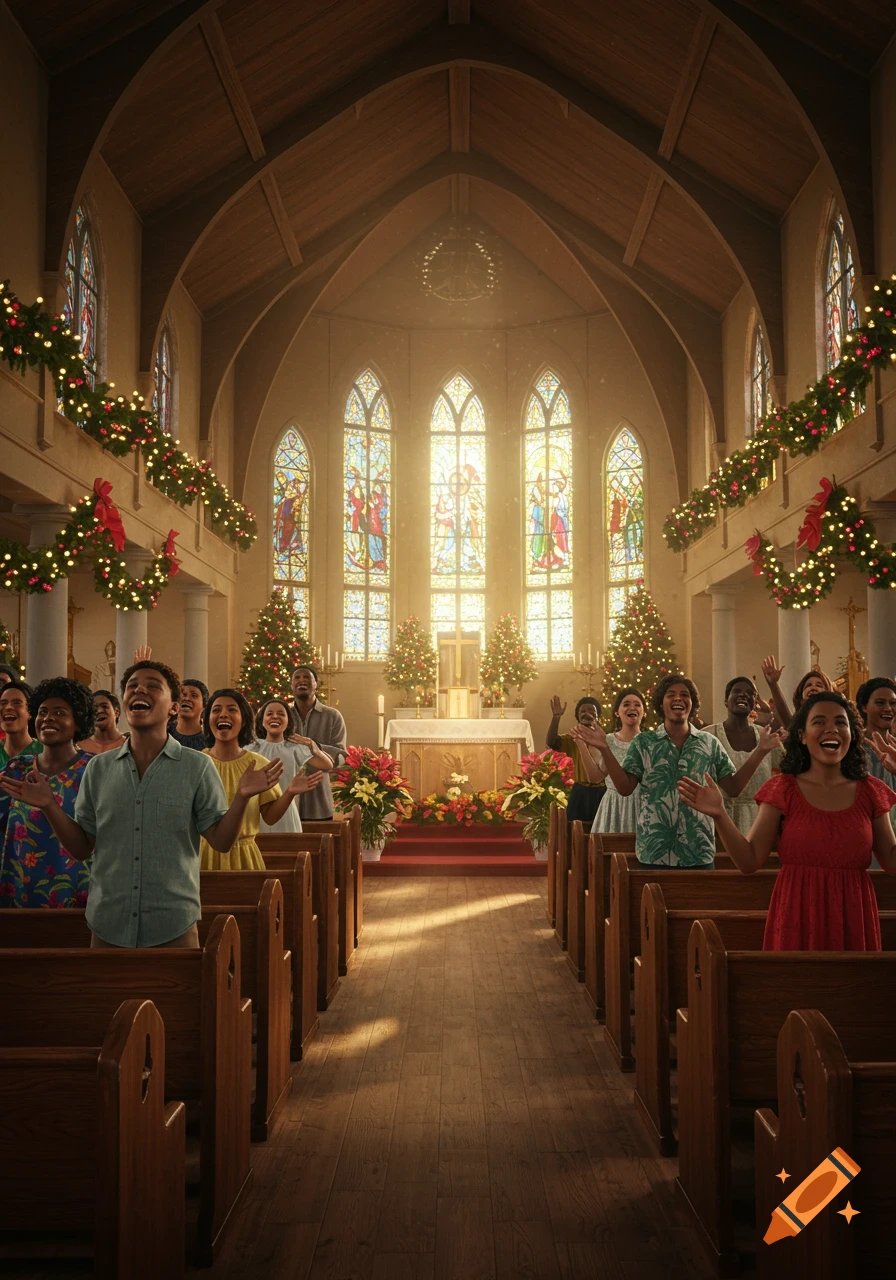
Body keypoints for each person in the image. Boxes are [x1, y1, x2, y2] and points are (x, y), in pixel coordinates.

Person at [0, 660, 285, 947]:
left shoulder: (196, 766)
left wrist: (242, 797)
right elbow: (82, 848)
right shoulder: (99, 769)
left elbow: (221, 842)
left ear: (174, 706)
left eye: (152, 686)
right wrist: (49, 805)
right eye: (132, 686)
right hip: (108, 921)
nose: (140, 690)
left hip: (173, 922)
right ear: (124, 702)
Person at [679, 691, 896, 950]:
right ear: (802, 736)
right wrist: (719, 813)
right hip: (797, 916)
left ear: (852, 734)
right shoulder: (783, 789)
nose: (832, 729)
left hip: (853, 917)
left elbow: (892, 863)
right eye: (819, 722)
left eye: (840, 722)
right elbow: (749, 861)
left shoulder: (871, 791)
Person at [574, 674, 784, 867]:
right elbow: (624, 788)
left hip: (698, 852)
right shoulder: (644, 742)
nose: (678, 699)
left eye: (685, 695)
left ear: (692, 704)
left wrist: (761, 750)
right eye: (671, 695)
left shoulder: (708, 743)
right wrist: (604, 748)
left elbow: (734, 787)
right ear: (661, 703)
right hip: (653, 852)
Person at [200, 687, 323, 869]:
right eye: (216, 710)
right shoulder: (198, 763)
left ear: (243, 721)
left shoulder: (258, 763)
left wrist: (289, 792)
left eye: (232, 709)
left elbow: (270, 817)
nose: (223, 714)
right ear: (207, 720)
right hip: (203, 856)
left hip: (245, 856)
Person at [0, 678, 94, 907]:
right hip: (18, 890)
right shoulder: (17, 768)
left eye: (60, 712)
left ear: (78, 722)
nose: (48, 718)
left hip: (75, 890)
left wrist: (48, 802)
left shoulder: (93, 770)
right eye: (42, 711)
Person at [704, 677, 784, 834]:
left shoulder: (766, 736)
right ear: (726, 701)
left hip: (759, 825)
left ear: (754, 704)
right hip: (715, 826)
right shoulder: (707, 736)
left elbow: (789, 769)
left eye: (750, 693)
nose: (743, 695)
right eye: (737, 691)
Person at [251, 697, 333, 833]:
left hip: (287, 813)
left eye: (281, 714)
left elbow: (327, 765)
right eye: (269, 714)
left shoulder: (295, 748)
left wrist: (316, 750)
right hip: (257, 814)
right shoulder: (252, 748)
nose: (275, 717)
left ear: (288, 721)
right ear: (262, 721)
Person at [578, 687, 645, 835]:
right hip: (613, 807)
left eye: (637, 704)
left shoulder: (650, 742)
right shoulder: (607, 740)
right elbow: (595, 777)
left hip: (643, 806)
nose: (632, 707)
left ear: (643, 712)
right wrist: (581, 744)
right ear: (617, 712)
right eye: (626, 704)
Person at [291, 666, 347, 820]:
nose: (301, 680)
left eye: (307, 677)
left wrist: (316, 748)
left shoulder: (332, 716)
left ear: (316, 684)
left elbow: (341, 756)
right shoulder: (283, 716)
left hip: (320, 799)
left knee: (321, 842)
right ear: (291, 686)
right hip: (287, 799)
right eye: (297, 678)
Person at [546, 695, 607, 825]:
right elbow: (552, 742)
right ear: (578, 717)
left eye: (591, 711)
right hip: (581, 792)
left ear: (598, 716)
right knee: (575, 831)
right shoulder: (572, 739)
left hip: (603, 792)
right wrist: (556, 717)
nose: (587, 713)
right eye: (583, 711)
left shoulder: (606, 739)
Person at [761, 655, 834, 728]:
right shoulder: (798, 725)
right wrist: (773, 684)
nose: (813, 687)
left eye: (819, 685)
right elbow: (787, 719)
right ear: (801, 698)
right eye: (808, 685)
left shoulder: (834, 719)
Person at [0, 680, 38, 769]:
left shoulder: (45, 754)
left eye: (17, 703)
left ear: (30, 712)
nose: (8, 707)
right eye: (3, 703)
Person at [78, 689, 126, 755]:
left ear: (116, 712)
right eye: (94, 708)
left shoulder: (129, 745)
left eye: (104, 706)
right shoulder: (79, 747)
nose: (99, 711)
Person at [170, 678, 208, 750]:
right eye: (183, 694)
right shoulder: (164, 733)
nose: (187, 698)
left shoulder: (209, 740)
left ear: (204, 706)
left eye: (194, 695)